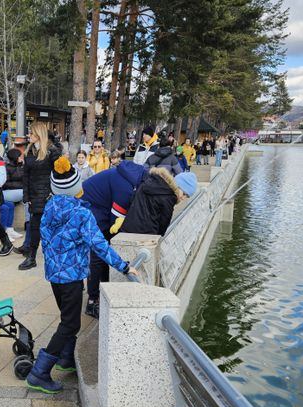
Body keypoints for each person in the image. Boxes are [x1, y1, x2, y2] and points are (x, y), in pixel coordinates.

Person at [26, 157, 137, 394]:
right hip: (72, 276)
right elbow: (100, 246)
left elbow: (44, 241)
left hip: (55, 275)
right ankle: (40, 372)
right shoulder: (81, 215)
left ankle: (66, 359)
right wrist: (124, 267)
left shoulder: (49, 208)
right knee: (70, 323)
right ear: (77, 187)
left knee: (68, 317)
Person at [80, 160, 148, 318]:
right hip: (91, 210)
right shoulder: (125, 187)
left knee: (103, 254)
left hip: (97, 208)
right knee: (98, 255)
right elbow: (115, 221)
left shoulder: (130, 177)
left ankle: (103, 291)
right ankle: (93, 300)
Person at [19, 122, 63, 270]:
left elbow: (60, 174)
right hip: (34, 196)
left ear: (39, 135)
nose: (28, 136)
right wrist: (26, 197)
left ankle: (55, 258)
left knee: (52, 228)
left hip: (49, 196)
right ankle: (31, 257)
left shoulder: (52, 151)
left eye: (31, 133)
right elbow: (26, 176)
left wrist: (52, 193)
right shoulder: (29, 151)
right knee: (34, 227)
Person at [119, 169, 197, 235]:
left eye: (187, 197)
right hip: (147, 236)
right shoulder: (169, 198)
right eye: (184, 194)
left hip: (127, 229)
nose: (183, 198)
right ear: (178, 186)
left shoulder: (148, 182)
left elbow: (132, 200)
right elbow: (163, 224)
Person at [0, 147, 25, 242]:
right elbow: (5, 184)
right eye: (19, 156)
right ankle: (2, 233)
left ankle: (9, 229)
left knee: (10, 205)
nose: (21, 157)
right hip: (6, 192)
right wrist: (20, 185)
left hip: (14, 193)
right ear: (15, 157)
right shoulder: (6, 168)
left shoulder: (20, 166)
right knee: (6, 207)